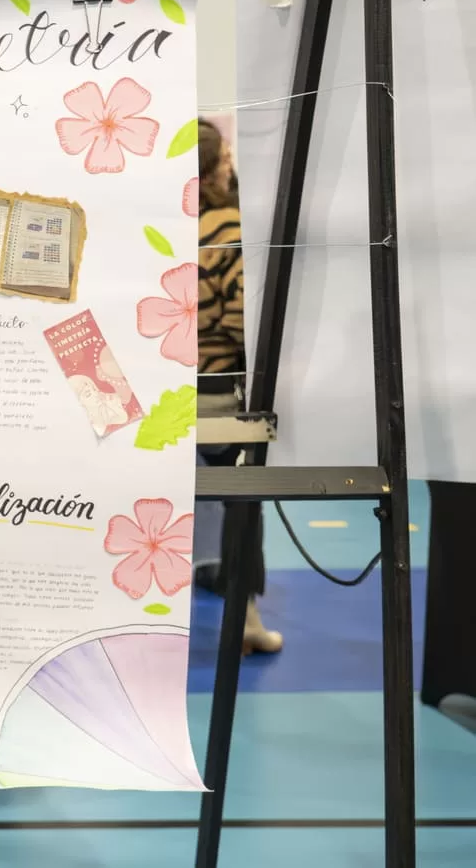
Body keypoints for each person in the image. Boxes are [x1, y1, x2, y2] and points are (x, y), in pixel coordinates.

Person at [193, 118, 283, 655]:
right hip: (217, 396)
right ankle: (245, 621)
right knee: (242, 502)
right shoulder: (228, 229)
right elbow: (239, 322)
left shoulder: (155, 224)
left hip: (155, 398)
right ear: (211, 170)